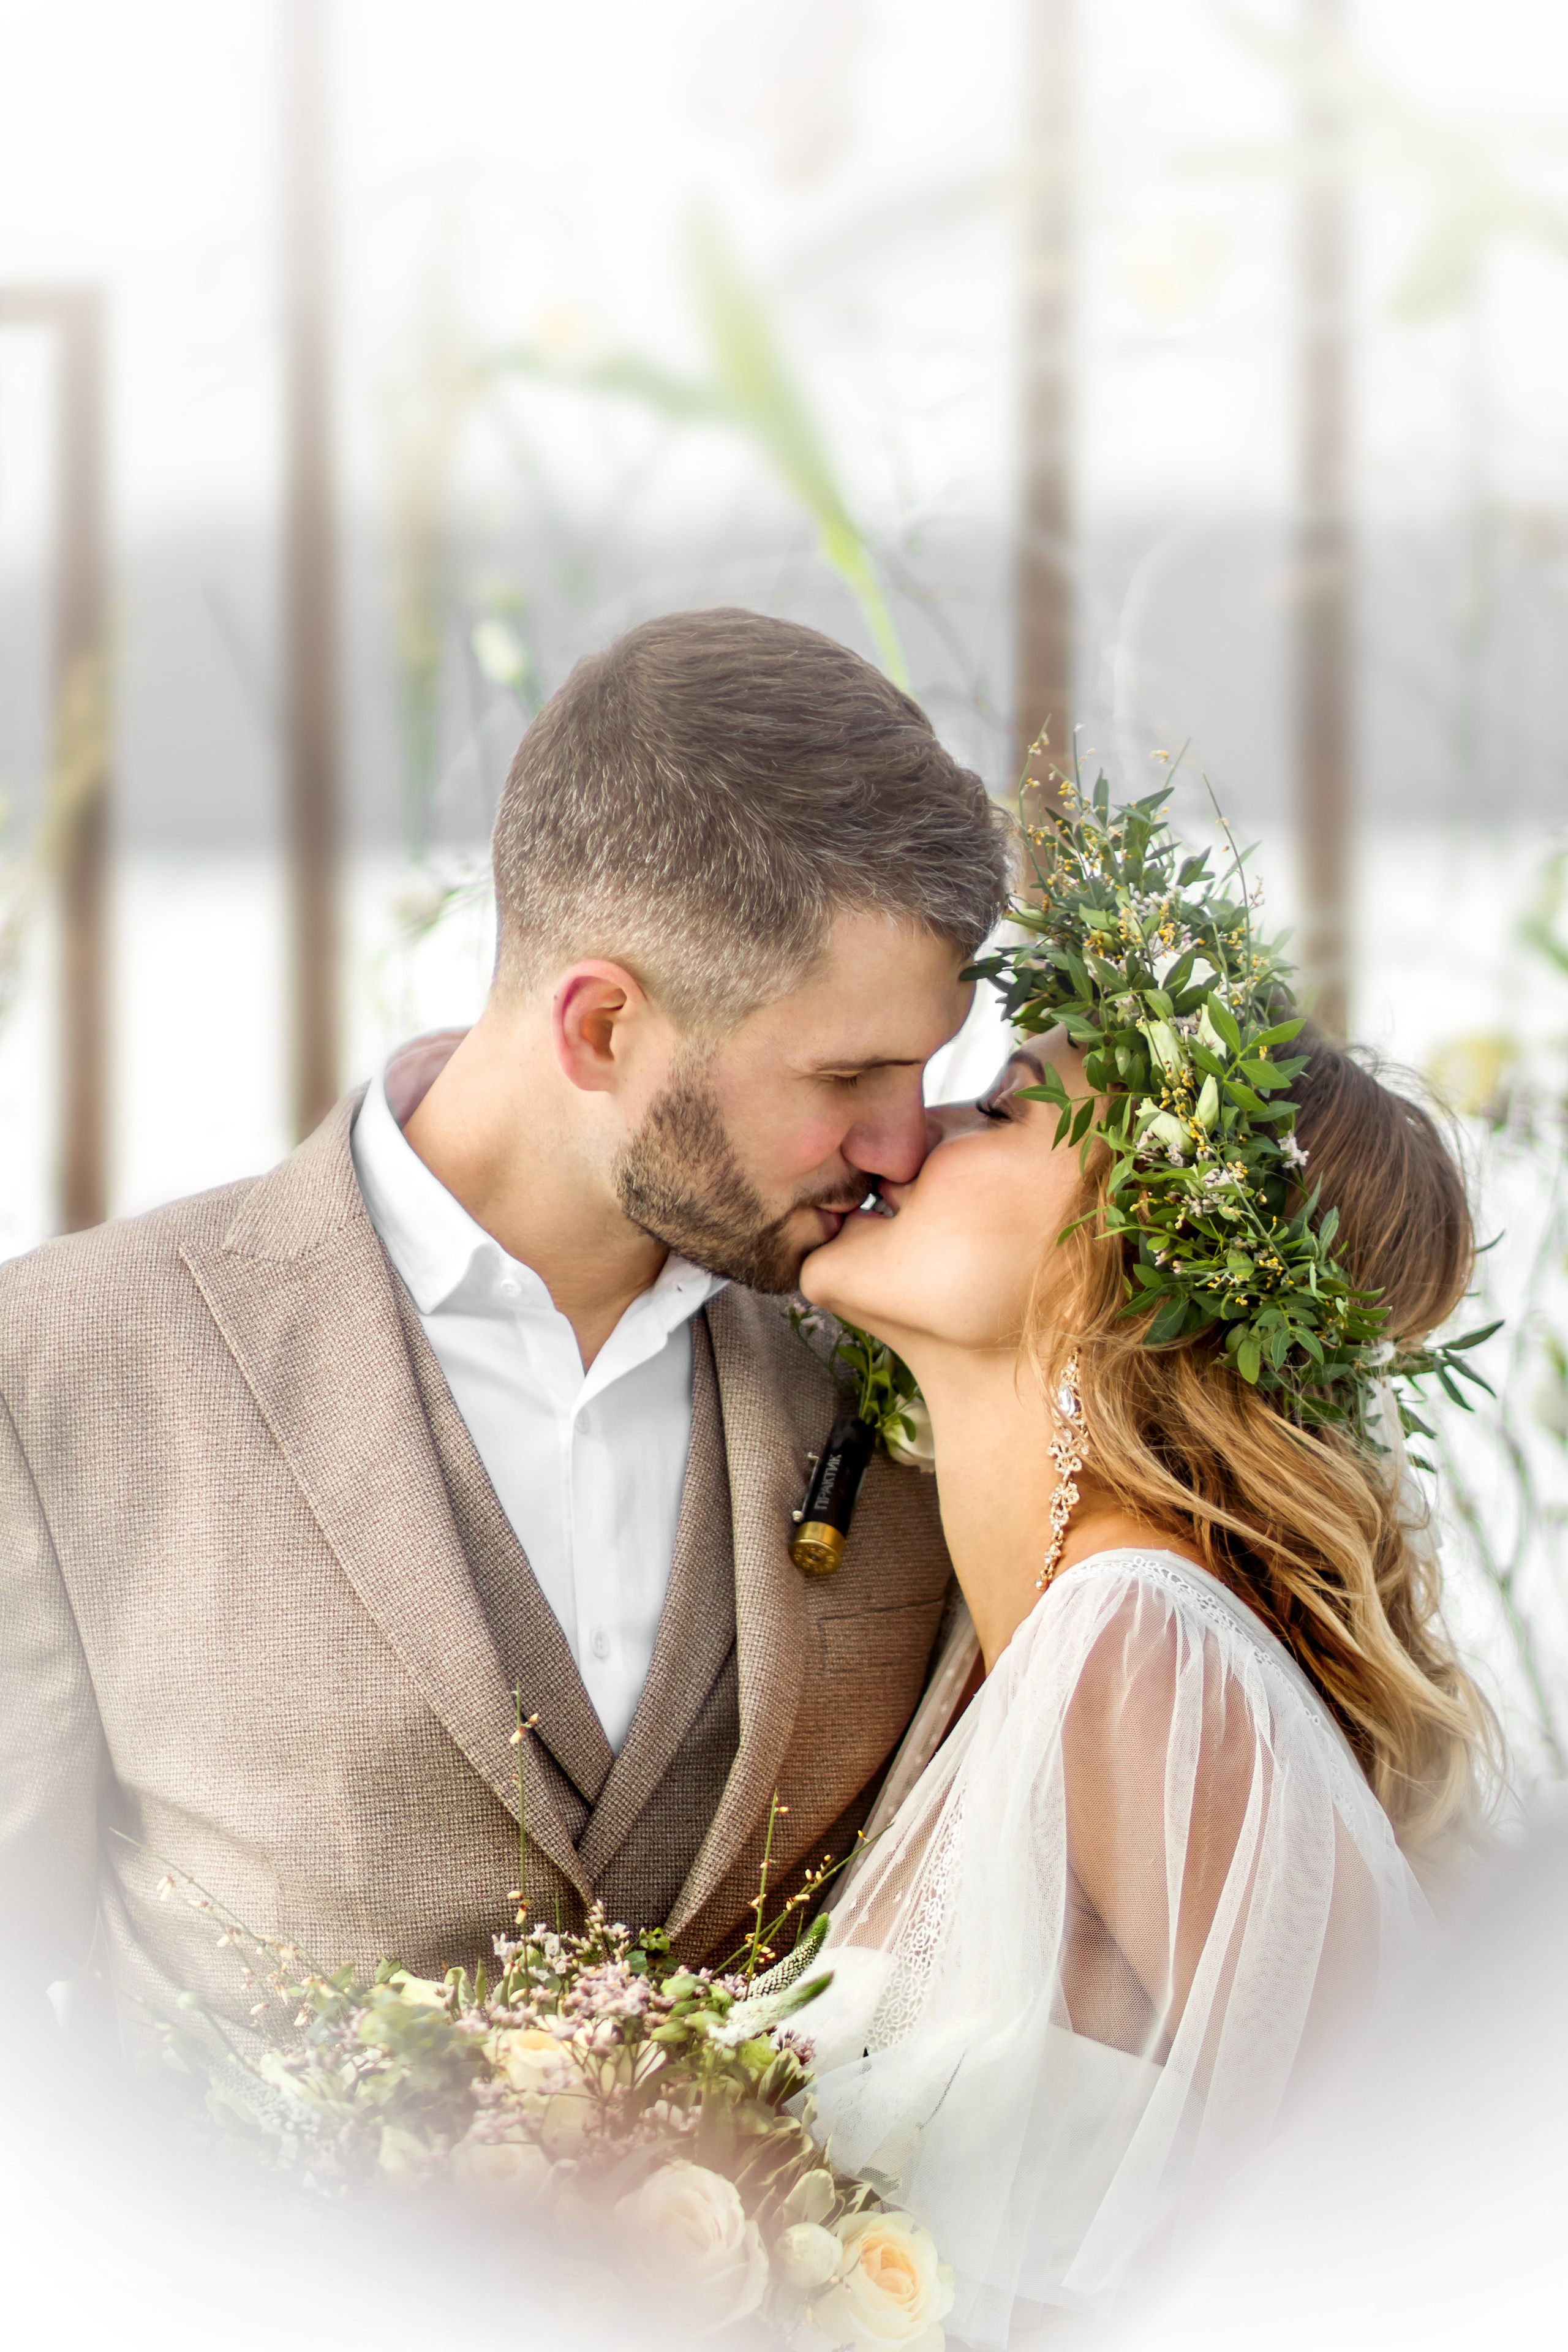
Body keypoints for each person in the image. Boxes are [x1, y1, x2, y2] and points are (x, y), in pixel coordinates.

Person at [0, 607, 1012, 2066]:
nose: (901, 1144)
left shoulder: (914, 1347)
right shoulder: (66, 1366)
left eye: (924, 1070)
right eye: (847, 1074)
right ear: (597, 1027)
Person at [787, 802, 1498, 2345]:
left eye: (999, 1111)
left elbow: (1425, 2225)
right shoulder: (1032, 1649)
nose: (907, 1135)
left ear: (1128, 1253)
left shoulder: (1138, 1651)